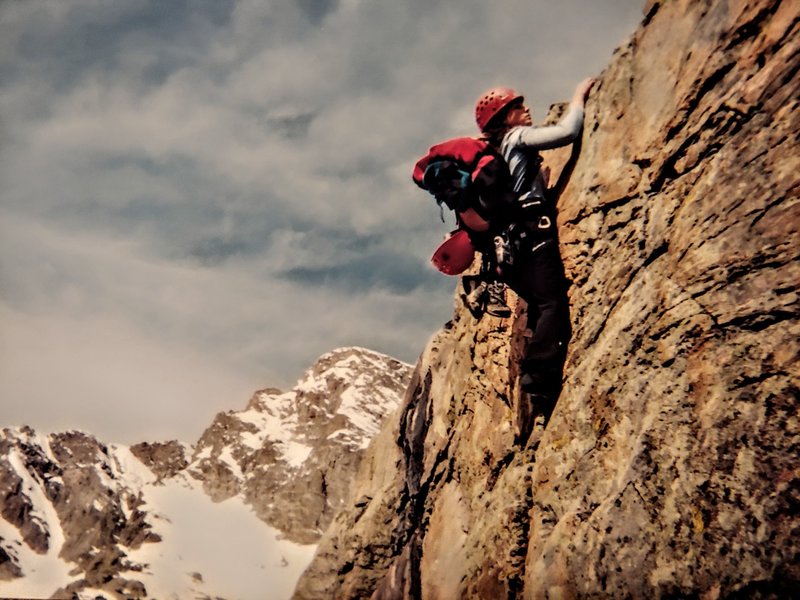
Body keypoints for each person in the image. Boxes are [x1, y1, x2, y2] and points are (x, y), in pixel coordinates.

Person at [472, 78, 595, 419]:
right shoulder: (517, 138)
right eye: (516, 106)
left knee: (541, 306)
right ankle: (537, 377)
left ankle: (541, 394)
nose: (525, 109)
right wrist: (579, 95)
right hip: (533, 235)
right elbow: (567, 132)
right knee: (552, 303)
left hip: (506, 250)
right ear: (505, 118)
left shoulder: (496, 154)